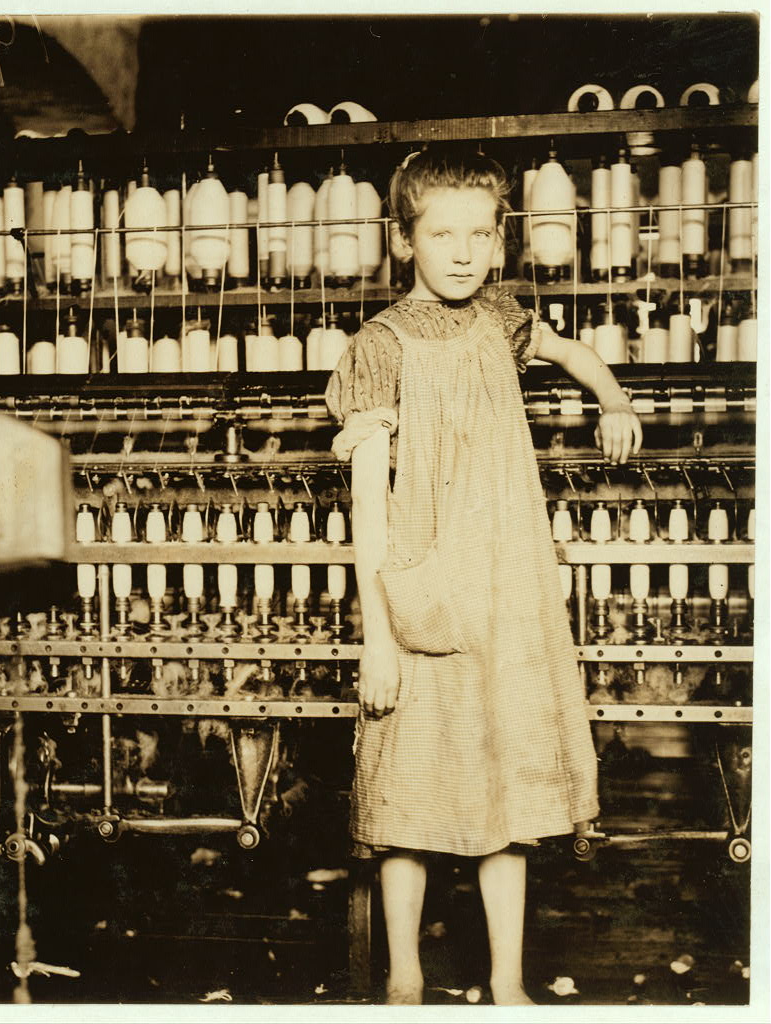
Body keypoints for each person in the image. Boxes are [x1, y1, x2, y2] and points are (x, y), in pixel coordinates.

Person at [324, 147, 642, 1005]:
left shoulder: (503, 316)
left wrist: (614, 399)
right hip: (424, 593)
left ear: (501, 241)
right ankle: (404, 984)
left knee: (511, 795)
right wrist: (378, 642)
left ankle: (507, 989)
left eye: (479, 233)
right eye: (441, 233)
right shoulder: (378, 345)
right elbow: (366, 508)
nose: (462, 252)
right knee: (407, 801)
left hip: (508, 594)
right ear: (403, 241)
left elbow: (573, 352)